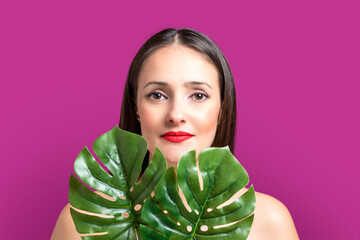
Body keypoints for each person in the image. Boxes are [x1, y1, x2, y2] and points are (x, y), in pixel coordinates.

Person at [51, 28, 299, 239]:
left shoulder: (269, 222)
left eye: (198, 95)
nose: (176, 114)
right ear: (136, 108)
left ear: (221, 110)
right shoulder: (83, 220)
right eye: (157, 95)